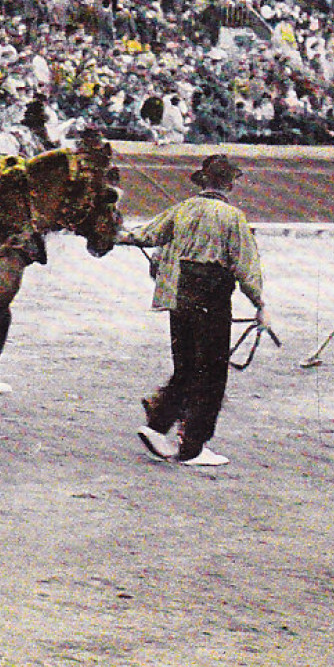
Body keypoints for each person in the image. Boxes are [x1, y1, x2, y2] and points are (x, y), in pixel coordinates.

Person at [122, 153, 269, 468]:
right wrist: (260, 305)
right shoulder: (233, 217)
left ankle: (157, 425)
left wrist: (115, 236)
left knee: (186, 367)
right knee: (212, 373)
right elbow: (247, 267)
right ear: (229, 183)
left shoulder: (183, 209)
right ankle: (192, 447)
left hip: (180, 294)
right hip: (212, 296)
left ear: (203, 182)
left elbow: (144, 235)